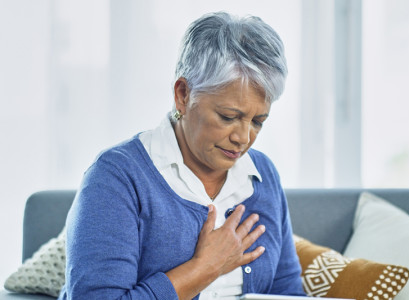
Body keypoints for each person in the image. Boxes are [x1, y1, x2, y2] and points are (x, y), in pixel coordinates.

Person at [58, 11, 306, 300]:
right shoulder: (117, 178)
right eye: (228, 117)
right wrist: (204, 268)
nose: (243, 138)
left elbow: (287, 291)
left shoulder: (263, 175)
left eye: (257, 122)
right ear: (183, 95)